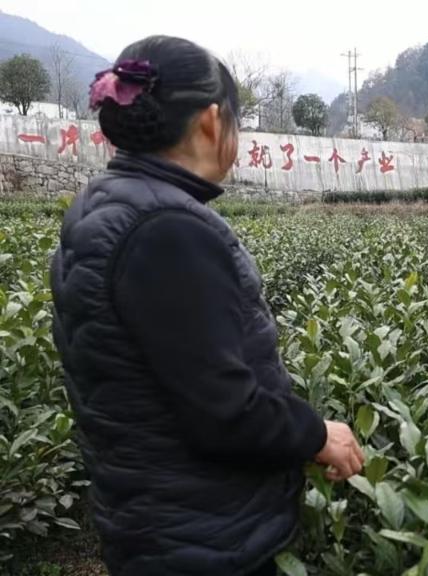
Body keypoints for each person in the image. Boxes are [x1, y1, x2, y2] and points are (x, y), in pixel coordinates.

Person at [49, 36, 364, 576]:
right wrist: (316, 434)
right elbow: (225, 410)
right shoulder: (166, 229)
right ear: (213, 122)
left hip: (157, 518)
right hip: (206, 536)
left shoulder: (105, 203)